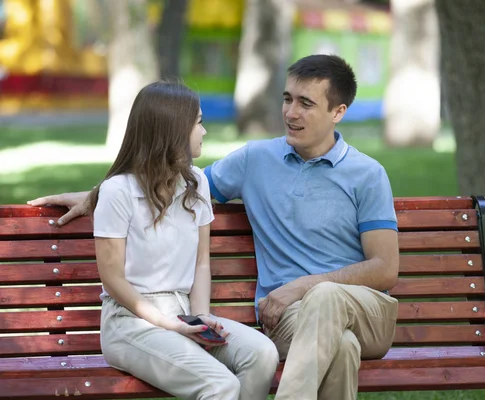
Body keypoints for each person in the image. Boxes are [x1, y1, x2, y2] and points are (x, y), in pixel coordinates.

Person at [28, 55, 399, 400]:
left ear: (339, 112)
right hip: (290, 321)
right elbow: (162, 182)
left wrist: (300, 287)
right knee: (342, 346)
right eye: (287, 99)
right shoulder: (256, 160)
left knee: (325, 296)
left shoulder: (367, 175)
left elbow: (385, 269)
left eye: (306, 103)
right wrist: (95, 195)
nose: (290, 112)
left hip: (363, 312)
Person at [53, 81, 279, 400]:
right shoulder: (118, 192)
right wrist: (169, 324)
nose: (204, 131)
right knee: (220, 385)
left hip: (184, 312)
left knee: (262, 354)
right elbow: (113, 280)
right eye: (198, 122)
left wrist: (200, 317)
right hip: (130, 324)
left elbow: (202, 261)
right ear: (173, 131)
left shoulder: (195, 182)